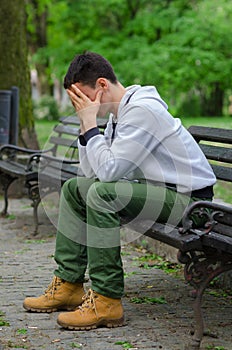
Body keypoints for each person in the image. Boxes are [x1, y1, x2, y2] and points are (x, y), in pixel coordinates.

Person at [23, 51, 216, 330]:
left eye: (82, 98)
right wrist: (84, 127)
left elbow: (109, 176)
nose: (79, 106)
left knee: (102, 195)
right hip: (160, 194)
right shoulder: (120, 115)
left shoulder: (142, 110)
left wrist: (91, 126)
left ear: (102, 85)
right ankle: (68, 284)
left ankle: (107, 300)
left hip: (193, 205)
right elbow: (92, 173)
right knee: (75, 189)